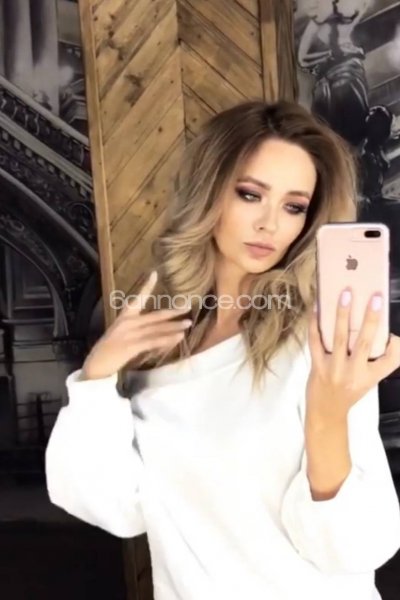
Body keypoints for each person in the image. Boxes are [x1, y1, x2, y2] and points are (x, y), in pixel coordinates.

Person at [45, 100, 400, 600]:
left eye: (294, 206)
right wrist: (97, 376)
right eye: (250, 194)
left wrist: (326, 415)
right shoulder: (159, 348)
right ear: (208, 191)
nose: (270, 224)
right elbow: (117, 508)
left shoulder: (318, 342)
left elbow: (356, 547)